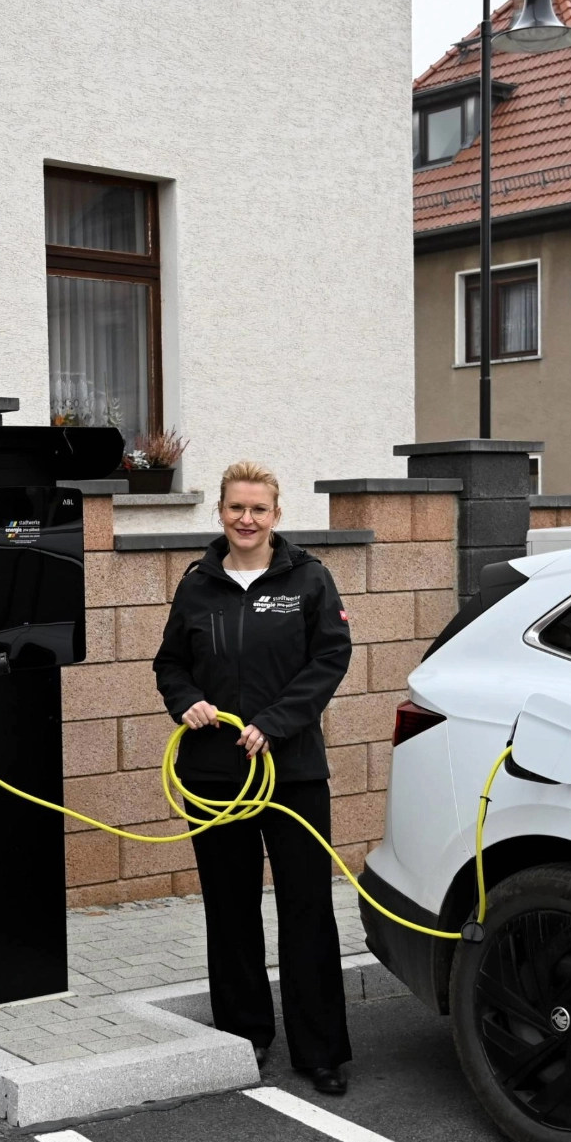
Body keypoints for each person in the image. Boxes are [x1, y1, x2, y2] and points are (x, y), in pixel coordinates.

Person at [152, 460, 355, 1095]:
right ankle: (246, 1034)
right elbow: (169, 664)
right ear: (220, 512)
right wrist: (187, 700)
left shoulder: (309, 578)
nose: (247, 519)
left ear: (276, 515)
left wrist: (274, 722)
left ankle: (320, 1050)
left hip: (292, 772)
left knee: (307, 907)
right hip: (214, 775)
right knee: (230, 906)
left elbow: (330, 659)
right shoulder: (197, 584)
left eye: (258, 509)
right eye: (236, 508)